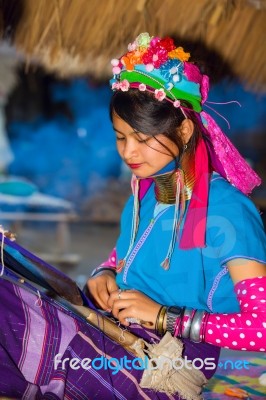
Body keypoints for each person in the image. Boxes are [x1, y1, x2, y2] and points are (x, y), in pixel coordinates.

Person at [0, 32, 265, 399]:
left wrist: (164, 317)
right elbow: (124, 258)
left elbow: (261, 327)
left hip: (165, 366)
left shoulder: (227, 212)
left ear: (184, 129)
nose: (128, 152)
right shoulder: (144, 194)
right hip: (114, 332)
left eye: (142, 138)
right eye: (121, 137)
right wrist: (104, 274)